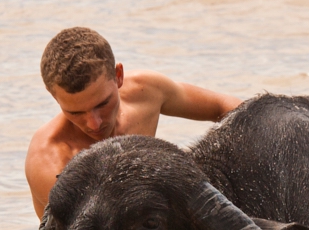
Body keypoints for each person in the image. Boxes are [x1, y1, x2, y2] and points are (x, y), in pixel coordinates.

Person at [25, 27, 242, 218]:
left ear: (118, 75)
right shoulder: (50, 160)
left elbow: (225, 106)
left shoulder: (144, 90)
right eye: (75, 112)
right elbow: (105, 229)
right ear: (54, 96)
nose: (94, 123)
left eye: (103, 104)